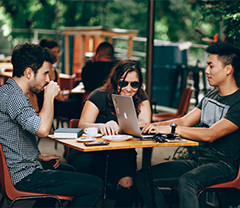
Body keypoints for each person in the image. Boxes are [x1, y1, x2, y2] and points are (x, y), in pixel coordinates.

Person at [136, 42, 240, 208]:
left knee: (187, 181)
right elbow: (185, 120)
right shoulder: (211, 95)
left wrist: (172, 129)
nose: (207, 71)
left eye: (211, 66)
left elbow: (211, 134)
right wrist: (152, 125)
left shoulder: (238, 102)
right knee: (143, 178)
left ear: (228, 69)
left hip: (224, 165)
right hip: (199, 161)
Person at [0, 43, 102, 208]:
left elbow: (13, 138)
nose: (48, 79)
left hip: (23, 169)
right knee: (96, 185)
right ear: (28, 73)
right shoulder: (15, 98)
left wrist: (37, 156)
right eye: (45, 73)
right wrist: (49, 96)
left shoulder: (8, 93)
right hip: (24, 176)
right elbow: (42, 130)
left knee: (71, 171)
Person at [68, 60, 152, 207]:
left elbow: (144, 122)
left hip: (121, 153)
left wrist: (119, 126)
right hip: (92, 152)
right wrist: (103, 126)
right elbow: (82, 125)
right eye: (123, 83)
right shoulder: (99, 95)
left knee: (127, 181)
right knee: (103, 179)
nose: (129, 88)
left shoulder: (140, 98)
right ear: (115, 82)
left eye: (134, 84)